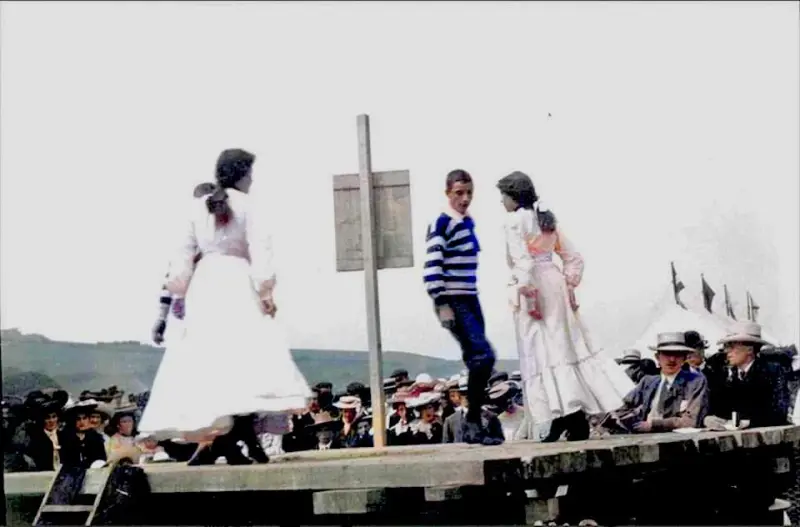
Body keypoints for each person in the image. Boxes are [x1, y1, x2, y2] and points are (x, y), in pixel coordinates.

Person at [137, 148, 312, 465]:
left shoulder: (196, 209)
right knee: (245, 363)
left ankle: (228, 443)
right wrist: (265, 291)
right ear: (243, 175)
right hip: (237, 283)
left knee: (214, 365)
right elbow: (261, 250)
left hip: (205, 289)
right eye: (250, 175)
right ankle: (234, 442)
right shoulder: (249, 206)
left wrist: (179, 291)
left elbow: (180, 263)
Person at [497, 171, 633, 442]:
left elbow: (522, 261)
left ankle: (566, 415)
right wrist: (568, 284)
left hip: (535, 286)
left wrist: (526, 290)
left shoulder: (514, 221)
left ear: (513, 195)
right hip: (554, 283)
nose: (501, 201)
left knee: (541, 351)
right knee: (563, 348)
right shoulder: (546, 219)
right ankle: (569, 416)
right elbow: (573, 258)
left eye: (504, 195)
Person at [423, 169, 497, 444]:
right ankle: (473, 421)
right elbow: (431, 266)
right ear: (448, 193)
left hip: (470, 296)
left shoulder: (467, 222)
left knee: (477, 358)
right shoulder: (442, 222)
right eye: (459, 193)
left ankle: (474, 425)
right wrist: (441, 302)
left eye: (469, 193)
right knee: (483, 357)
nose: (465, 199)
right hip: (453, 298)